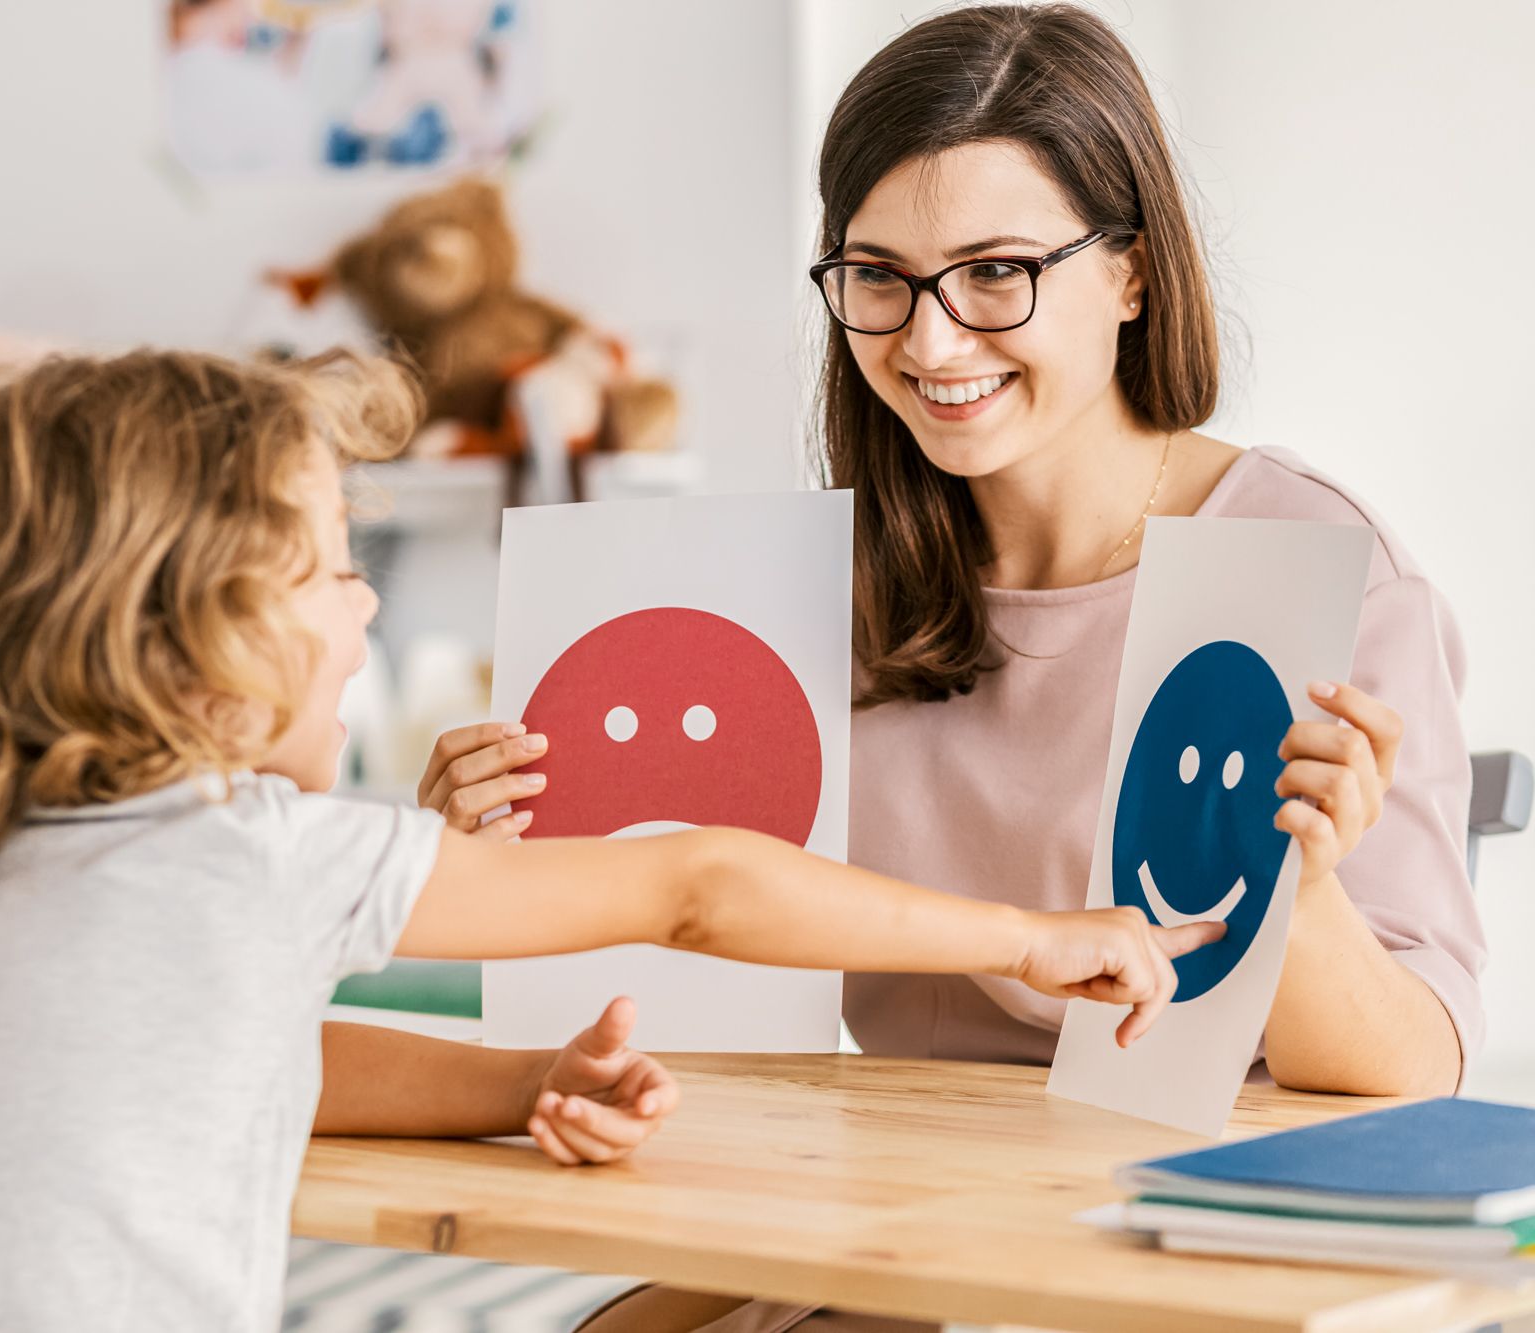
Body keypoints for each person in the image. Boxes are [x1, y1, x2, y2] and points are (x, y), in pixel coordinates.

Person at [423, 6, 1486, 1328]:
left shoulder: (1310, 561)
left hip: (1179, 1238)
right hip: (884, 1215)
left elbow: (1410, 1079)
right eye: (880, 276)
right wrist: (488, 852)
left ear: (1134, 274)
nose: (929, 344)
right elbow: (686, 954)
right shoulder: (809, 593)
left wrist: (1303, 889)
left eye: (995, 272)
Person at [0, 347, 1211, 1332]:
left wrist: (527, 1080)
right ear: (196, 639)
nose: (366, 613)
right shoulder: (249, 852)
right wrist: (1034, 935)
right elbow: (698, 881)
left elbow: (249, 1051)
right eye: (338, 568)